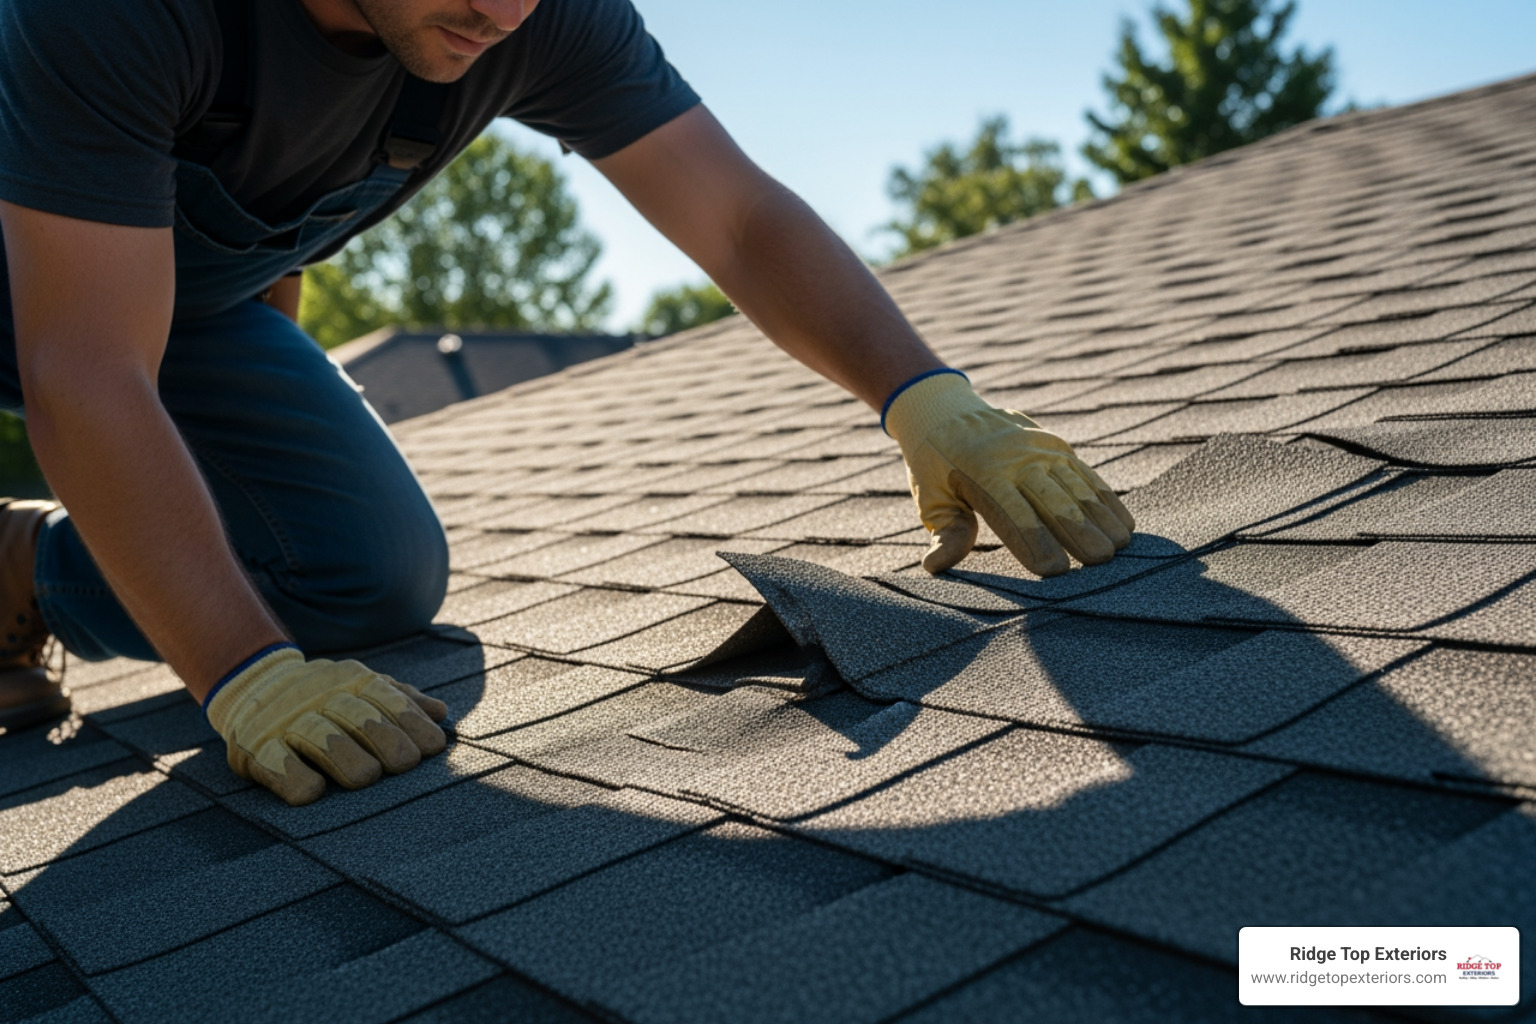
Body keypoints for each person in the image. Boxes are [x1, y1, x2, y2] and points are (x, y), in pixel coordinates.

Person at [0, 0, 1134, 804]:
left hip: (172, 303)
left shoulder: (529, 15)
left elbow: (736, 217)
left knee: (363, 575)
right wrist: (241, 672)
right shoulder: (118, 15)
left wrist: (927, 398)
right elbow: (83, 368)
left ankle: (18, 573)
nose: (502, 11)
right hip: (44, 292)